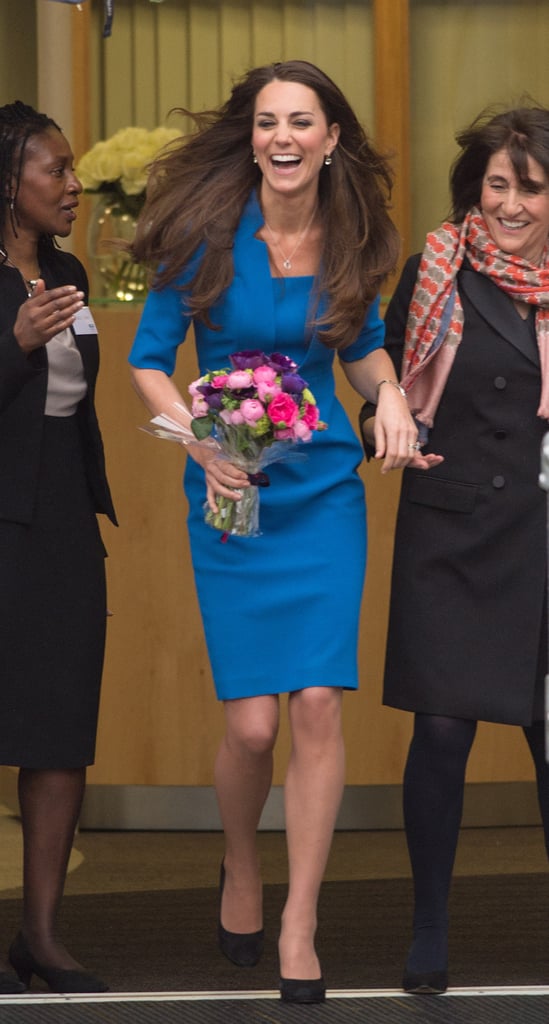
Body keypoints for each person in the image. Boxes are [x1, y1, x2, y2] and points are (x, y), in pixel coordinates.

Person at [128, 60, 418, 1003]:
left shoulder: (351, 236)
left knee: (321, 706)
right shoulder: (204, 236)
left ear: (331, 138)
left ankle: (301, 920)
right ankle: (242, 864)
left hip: (322, 487)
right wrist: (197, 445)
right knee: (252, 729)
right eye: (266, 122)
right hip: (230, 487)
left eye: (301, 121)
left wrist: (391, 401)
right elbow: (148, 362)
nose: (281, 138)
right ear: (250, 137)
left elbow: (362, 340)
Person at [360, 103, 549, 995]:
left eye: (532, 188)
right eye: (497, 183)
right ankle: (428, 921)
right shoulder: (432, 268)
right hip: (452, 527)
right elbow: (382, 383)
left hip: (542, 541)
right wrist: (382, 420)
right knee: (439, 734)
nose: (509, 204)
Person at [0, 101, 116, 993]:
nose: (73, 185)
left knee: (59, 730)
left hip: (64, 529)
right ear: (9, 184)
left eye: (74, 169)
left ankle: (40, 934)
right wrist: (13, 345)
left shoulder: (72, 268)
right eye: (55, 170)